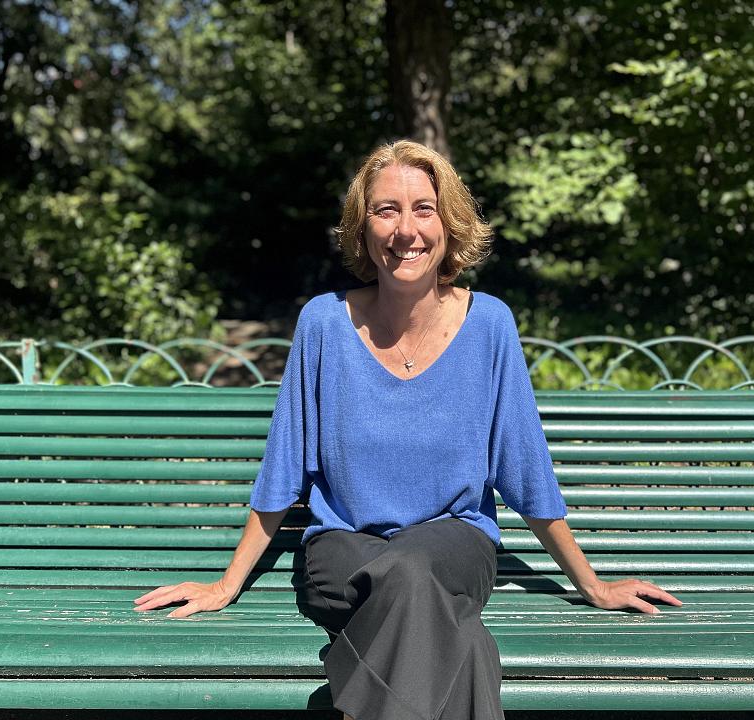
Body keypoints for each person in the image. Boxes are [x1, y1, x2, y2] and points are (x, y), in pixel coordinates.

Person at [133, 140, 682, 720]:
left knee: (414, 570)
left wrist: (591, 583)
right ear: (362, 227)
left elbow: (525, 471)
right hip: (342, 550)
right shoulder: (323, 323)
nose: (405, 230)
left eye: (424, 208)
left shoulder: (489, 323)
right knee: (450, 627)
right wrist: (227, 584)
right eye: (385, 210)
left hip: (453, 543)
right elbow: (284, 468)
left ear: (449, 222)